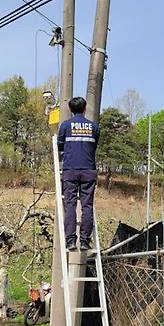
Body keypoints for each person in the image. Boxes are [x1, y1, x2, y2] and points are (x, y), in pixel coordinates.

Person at [57, 96, 100, 251]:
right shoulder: (94, 127)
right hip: (88, 170)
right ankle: (84, 241)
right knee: (87, 206)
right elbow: (93, 147)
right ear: (84, 108)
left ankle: (70, 241)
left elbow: (60, 146)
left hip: (70, 170)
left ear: (70, 109)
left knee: (70, 205)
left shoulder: (65, 126)